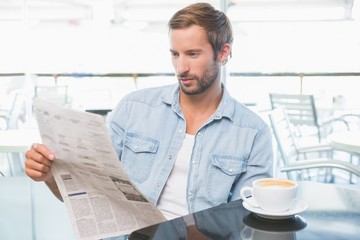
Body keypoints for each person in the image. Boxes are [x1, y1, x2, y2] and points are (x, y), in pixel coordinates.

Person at [25, 2, 273, 222]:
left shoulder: (253, 132)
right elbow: (92, 197)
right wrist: (49, 176)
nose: (181, 67)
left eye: (193, 54)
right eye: (175, 54)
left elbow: (249, 217)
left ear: (223, 52)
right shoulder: (134, 109)